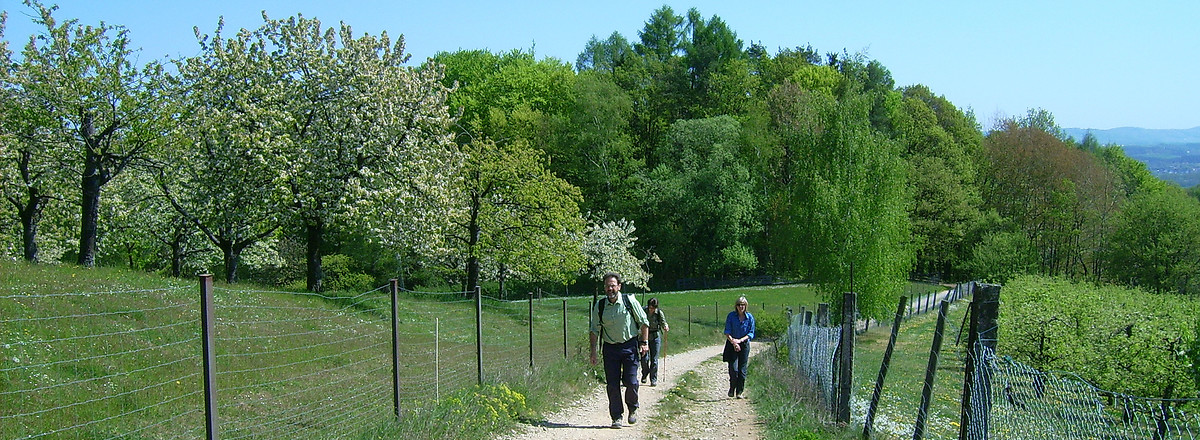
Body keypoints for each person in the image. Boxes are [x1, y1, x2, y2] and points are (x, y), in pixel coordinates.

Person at [590, 272, 650, 429]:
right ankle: (616, 416)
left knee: (631, 381)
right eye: (607, 286)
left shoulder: (629, 301)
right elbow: (594, 329)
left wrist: (644, 342)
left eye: (613, 285)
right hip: (610, 348)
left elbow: (644, 322)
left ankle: (632, 408)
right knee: (612, 384)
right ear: (605, 288)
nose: (610, 289)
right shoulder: (600, 306)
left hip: (629, 346)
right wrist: (593, 352)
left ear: (619, 286)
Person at [724, 296, 755, 399]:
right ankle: (732, 388)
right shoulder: (731, 316)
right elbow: (727, 331)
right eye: (739, 305)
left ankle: (739, 391)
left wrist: (740, 341)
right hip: (732, 343)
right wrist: (734, 342)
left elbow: (751, 333)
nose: (741, 307)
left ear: (746, 306)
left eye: (743, 305)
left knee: (742, 370)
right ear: (736, 306)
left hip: (744, 344)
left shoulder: (749, 317)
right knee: (733, 369)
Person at [640, 297, 670, 387]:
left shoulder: (659, 313)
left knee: (654, 360)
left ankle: (653, 379)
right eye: (650, 307)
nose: (651, 309)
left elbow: (663, 322)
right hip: (644, 337)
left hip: (655, 337)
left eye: (653, 308)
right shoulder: (643, 311)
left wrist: (665, 327)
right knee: (644, 359)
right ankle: (645, 373)